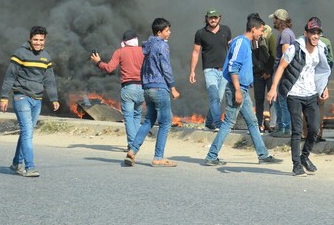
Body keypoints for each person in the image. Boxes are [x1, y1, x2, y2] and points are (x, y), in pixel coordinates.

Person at [204, 14, 282, 167]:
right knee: (228, 123)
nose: (261, 33)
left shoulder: (246, 43)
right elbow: (233, 68)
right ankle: (211, 155)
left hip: (243, 89)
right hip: (237, 89)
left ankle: (263, 155)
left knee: (253, 122)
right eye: (260, 30)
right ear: (253, 29)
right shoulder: (241, 43)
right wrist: (238, 91)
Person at [267, 17, 331, 177]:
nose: (315, 36)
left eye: (318, 32)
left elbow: (321, 70)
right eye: (312, 32)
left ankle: (304, 157)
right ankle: (296, 165)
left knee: (315, 129)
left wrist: (324, 86)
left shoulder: (321, 48)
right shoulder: (295, 48)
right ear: (306, 33)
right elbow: (281, 67)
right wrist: (273, 88)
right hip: (294, 94)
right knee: (296, 130)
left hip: (310, 93)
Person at [0, 26, 60, 177]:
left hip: (37, 99)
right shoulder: (20, 54)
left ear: (45, 40)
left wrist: (54, 98)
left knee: (27, 132)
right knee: (27, 132)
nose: (38, 43)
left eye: (41, 40)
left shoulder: (46, 57)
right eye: (35, 40)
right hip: (21, 97)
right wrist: (4, 97)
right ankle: (30, 167)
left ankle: (15, 163)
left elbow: (49, 80)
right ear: (30, 39)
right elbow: (10, 76)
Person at [125, 18, 180, 167]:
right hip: (159, 88)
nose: (169, 33)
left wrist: (145, 84)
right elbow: (166, 67)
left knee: (149, 120)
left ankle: (132, 151)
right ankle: (158, 157)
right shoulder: (162, 46)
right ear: (159, 32)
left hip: (148, 88)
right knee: (165, 123)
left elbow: (144, 67)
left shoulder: (148, 45)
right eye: (167, 30)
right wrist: (173, 87)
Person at [91, 29, 144, 151]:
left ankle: (132, 146)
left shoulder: (120, 52)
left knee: (128, 117)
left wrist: (98, 62)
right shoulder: (143, 51)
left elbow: (109, 68)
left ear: (124, 42)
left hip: (128, 88)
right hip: (142, 88)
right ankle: (136, 144)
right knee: (137, 116)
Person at [189, 9, 231, 132]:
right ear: (206, 18)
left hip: (224, 71)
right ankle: (218, 124)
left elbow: (231, 48)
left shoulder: (226, 30)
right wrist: (192, 71)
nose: (213, 20)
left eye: (215, 17)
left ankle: (208, 123)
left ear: (219, 18)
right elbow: (195, 52)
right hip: (209, 70)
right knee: (214, 98)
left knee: (219, 98)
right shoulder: (201, 33)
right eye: (211, 17)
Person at [269, 8, 295, 137]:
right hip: (283, 72)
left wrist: (281, 73)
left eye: (274, 19)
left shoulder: (285, 34)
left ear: (280, 20)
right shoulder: (287, 33)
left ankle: (284, 128)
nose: (273, 21)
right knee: (279, 100)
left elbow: (286, 56)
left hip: (283, 72)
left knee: (282, 101)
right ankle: (282, 127)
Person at [252, 23, 275, 133]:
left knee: (272, 100)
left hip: (269, 74)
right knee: (259, 100)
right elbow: (253, 57)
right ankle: (259, 124)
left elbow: (273, 56)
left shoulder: (270, 38)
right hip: (257, 74)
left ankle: (272, 124)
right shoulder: (252, 41)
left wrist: (268, 71)